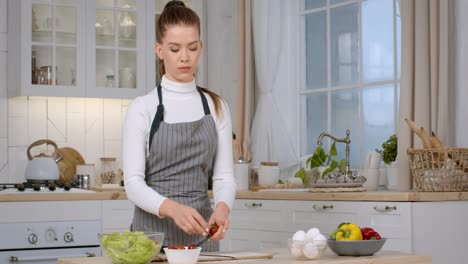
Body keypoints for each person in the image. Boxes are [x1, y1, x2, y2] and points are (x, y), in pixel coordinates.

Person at [122, 0, 236, 252]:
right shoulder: (143, 108)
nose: (185, 57)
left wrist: (222, 208)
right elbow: (132, 183)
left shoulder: (217, 106)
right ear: (159, 50)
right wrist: (173, 209)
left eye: (192, 48)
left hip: (201, 243)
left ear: (201, 47)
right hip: (150, 243)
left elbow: (224, 176)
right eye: (174, 49)